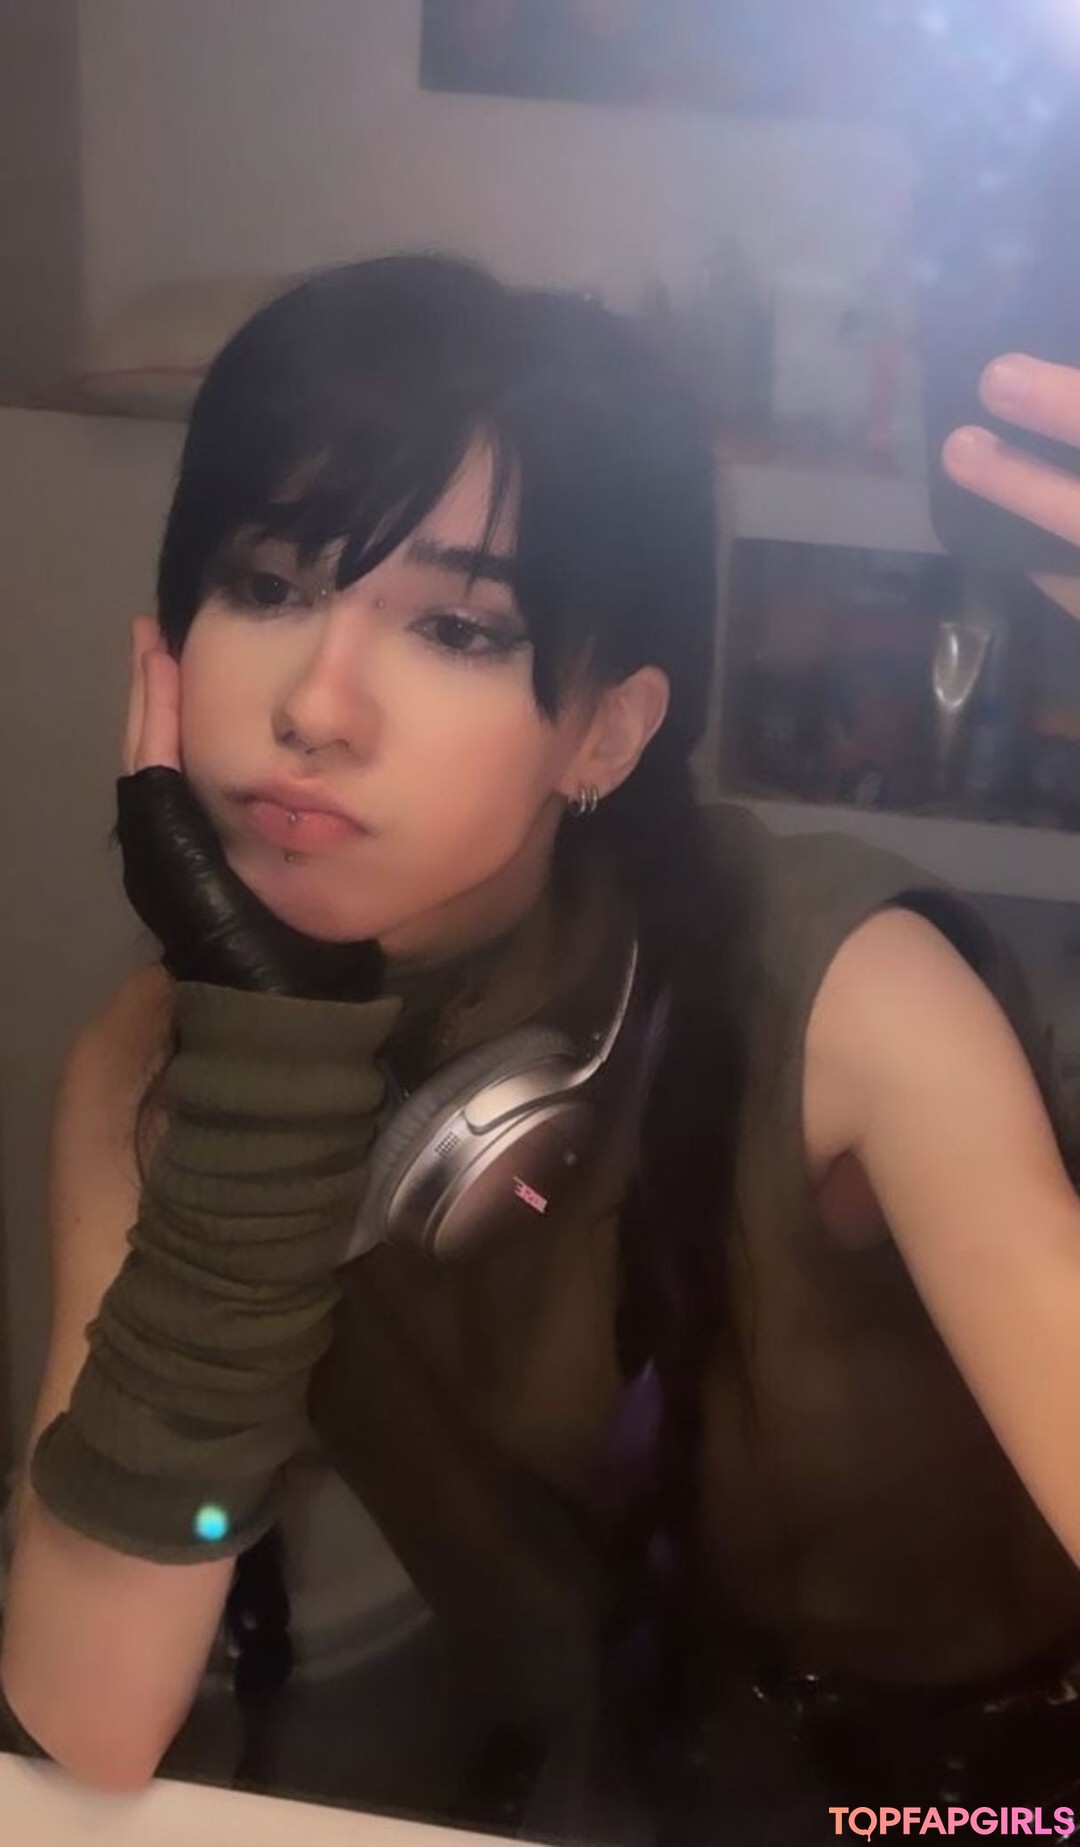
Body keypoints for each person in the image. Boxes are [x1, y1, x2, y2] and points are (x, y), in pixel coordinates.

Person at [5, 256, 1080, 1844]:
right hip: (614, 1786)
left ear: (607, 731)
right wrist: (258, 1082)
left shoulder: (851, 997)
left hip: (993, 1791)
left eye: (455, 626)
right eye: (271, 585)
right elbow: (89, 1722)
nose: (317, 705)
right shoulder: (152, 1069)